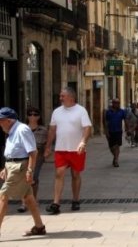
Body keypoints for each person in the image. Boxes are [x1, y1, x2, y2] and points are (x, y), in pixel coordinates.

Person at [44, 87, 92, 215]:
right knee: (59, 173)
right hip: (61, 149)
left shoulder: (81, 111)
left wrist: (83, 142)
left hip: (77, 150)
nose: (60, 98)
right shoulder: (56, 112)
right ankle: (56, 203)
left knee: (75, 175)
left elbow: (87, 128)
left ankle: (75, 200)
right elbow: (52, 130)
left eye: (62, 96)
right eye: (60, 96)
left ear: (71, 97)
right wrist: (48, 146)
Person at [0, 107, 46, 236]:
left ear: (9, 120)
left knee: (3, 196)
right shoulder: (12, 130)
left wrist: (30, 170)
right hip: (13, 165)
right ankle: (39, 226)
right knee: (28, 197)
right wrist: (5, 167)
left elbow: (33, 152)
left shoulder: (22, 130)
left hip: (20, 167)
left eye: (1, 120)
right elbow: (13, 152)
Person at [18, 107, 48, 213]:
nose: (32, 116)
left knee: (34, 178)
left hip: (38, 157)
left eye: (35, 114)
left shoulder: (43, 130)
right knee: (24, 178)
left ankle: (33, 198)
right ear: (27, 116)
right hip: (24, 156)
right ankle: (24, 202)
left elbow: (46, 143)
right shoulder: (22, 129)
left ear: (39, 117)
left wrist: (46, 152)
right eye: (30, 114)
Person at [103, 98, 126, 167]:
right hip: (110, 131)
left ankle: (116, 160)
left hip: (118, 131)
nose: (116, 104)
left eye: (118, 103)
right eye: (115, 103)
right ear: (112, 103)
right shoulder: (108, 111)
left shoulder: (122, 111)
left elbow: (125, 120)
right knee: (111, 147)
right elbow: (105, 122)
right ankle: (115, 157)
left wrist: (127, 129)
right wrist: (106, 131)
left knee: (117, 146)